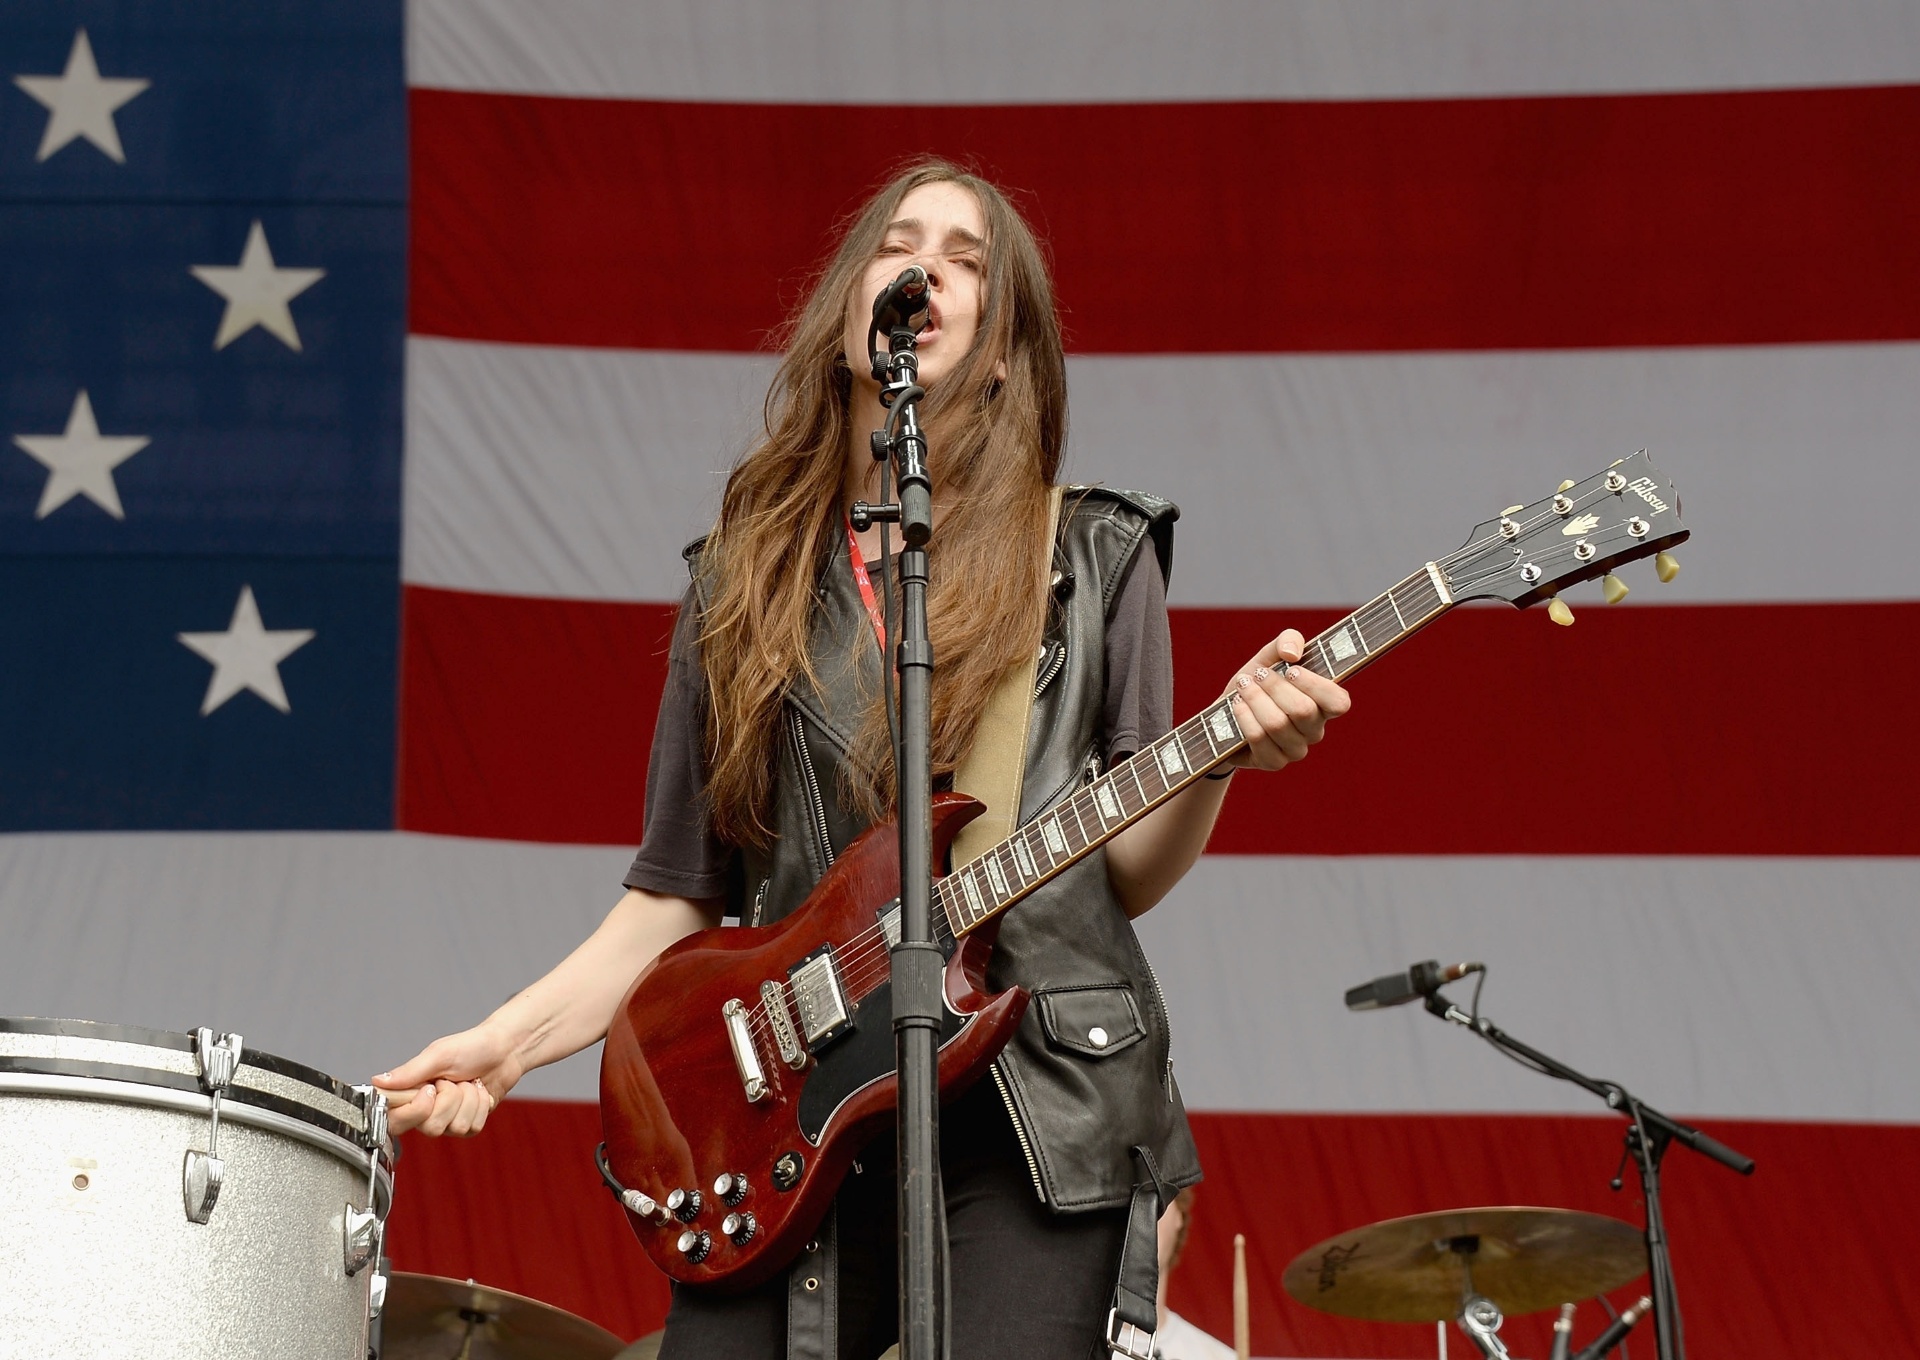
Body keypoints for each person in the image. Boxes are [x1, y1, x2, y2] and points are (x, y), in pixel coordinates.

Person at [374, 159, 1350, 1360]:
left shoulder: (1094, 553)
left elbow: (1127, 868)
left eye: (967, 257)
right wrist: (506, 1043)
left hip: (1034, 1101)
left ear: (998, 350)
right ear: (854, 312)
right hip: (793, 1116)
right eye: (902, 242)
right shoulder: (739, 585)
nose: (927, 264)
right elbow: (676, 894)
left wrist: (1220, 761)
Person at [1153, 1189, 1235, 1360]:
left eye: (1156, 1198)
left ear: (1179, 1216)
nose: (1143, 1216)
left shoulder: (1219, 1357)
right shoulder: (1083, 1349)